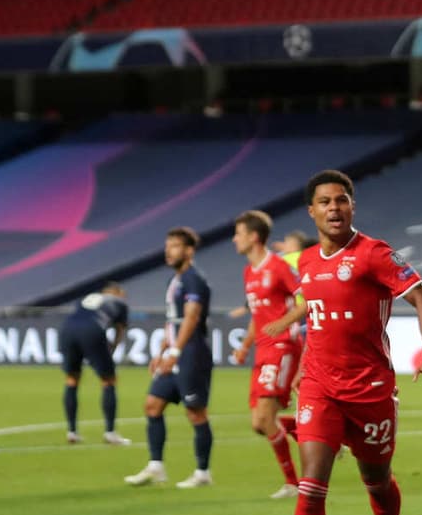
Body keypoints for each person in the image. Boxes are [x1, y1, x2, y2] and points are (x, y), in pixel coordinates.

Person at [284, 169, 422, 515]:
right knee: (311, 487)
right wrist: (301, 372)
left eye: (342, 200)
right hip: (319, 388)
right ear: (311, 211)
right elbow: (316, 324)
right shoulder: (306, 262)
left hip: (371, 391)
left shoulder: (374, 254)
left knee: (376, 482)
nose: (334, 208)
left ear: (352, 207)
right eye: (324, 202)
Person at [124, 226, 217, 489]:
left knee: (196, 413)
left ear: (189, 251)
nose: (168, 250)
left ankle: (202, 472)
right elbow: (173, 321)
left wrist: (175, 352)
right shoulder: (174, 281)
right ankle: (156, 467)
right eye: (167, 246)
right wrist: (162, 350)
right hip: (176, 352)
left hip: (192, 354)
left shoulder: (193, 279)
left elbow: (191, 317)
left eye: (174, 246)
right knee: (152, 405)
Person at [229, 210, 310, 499]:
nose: (234, 239)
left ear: (253, 237)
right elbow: (257, 315)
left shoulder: (278, 267)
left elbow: (307, 301)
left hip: (282, 347)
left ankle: (293, 484)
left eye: (238, 233)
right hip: (262, 350)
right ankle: (315, 432)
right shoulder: (249, 271)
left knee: (266, 419)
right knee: (259, 424)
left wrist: (285, 323)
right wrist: (246, 345)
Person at [59, 281, 131, 445]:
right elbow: (120, 330)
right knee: (109, 380)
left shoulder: (89, 297)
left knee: (71, 379)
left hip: (67, 329)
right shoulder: (119, 302)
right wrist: (111, 349)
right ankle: (110, 433)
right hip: (92, 330)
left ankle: (72, 432)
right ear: (117, 293)